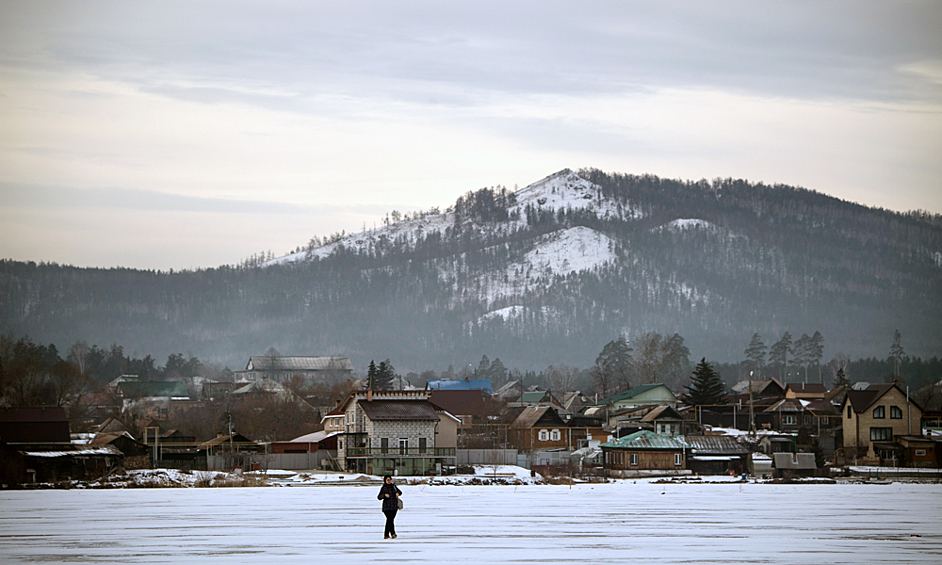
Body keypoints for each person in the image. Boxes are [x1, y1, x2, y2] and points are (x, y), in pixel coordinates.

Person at [377, 474, 402, 539]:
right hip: (387, 507)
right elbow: (379, 497)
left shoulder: (393, 486)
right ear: (385, 480)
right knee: (390, 520)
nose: (389, 481)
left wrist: (398, 493)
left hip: (394, 506)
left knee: (389, 520)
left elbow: (400, 492)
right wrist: (384, 495)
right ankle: (393, 533)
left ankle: (386, 535)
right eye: (388, 480)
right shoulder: (384, 487)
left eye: (390, 479)